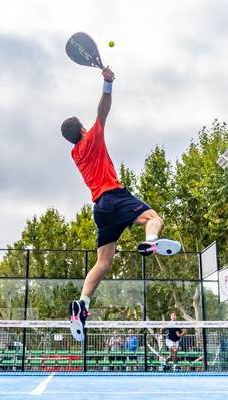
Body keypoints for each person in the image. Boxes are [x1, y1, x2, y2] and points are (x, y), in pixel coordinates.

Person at [61, 66, 181, 341]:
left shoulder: (75, 153)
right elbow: (103, 111)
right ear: (83, 130)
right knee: (154, 219)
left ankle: (82, 304)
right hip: (114, 196)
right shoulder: (92, 138)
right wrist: (107, 83)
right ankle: (151, 241)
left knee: (103, 262)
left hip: (100, 209)